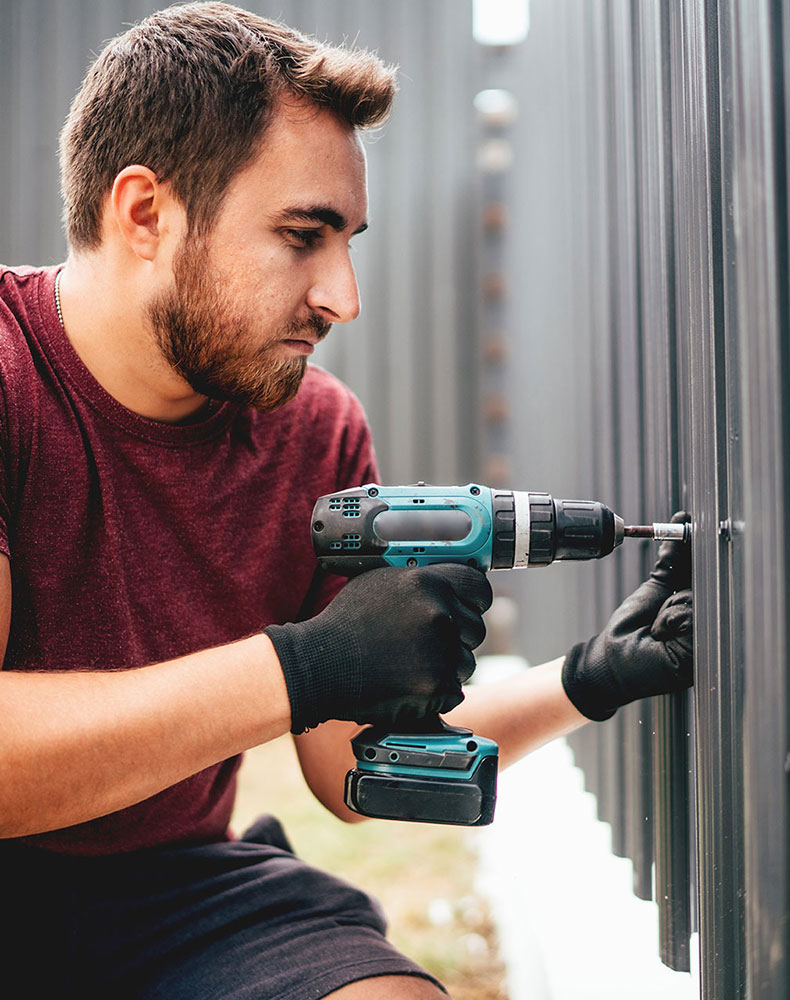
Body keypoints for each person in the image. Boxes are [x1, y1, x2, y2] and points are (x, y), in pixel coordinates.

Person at [0, 3, 694, 998]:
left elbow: (350, 770)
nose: (344, 296)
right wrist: (304, 661)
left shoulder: (315, 430)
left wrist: (586, 680)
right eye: (302, 235)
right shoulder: (10, 375)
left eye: (348, 241)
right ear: (145, 213)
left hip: (172, 896)